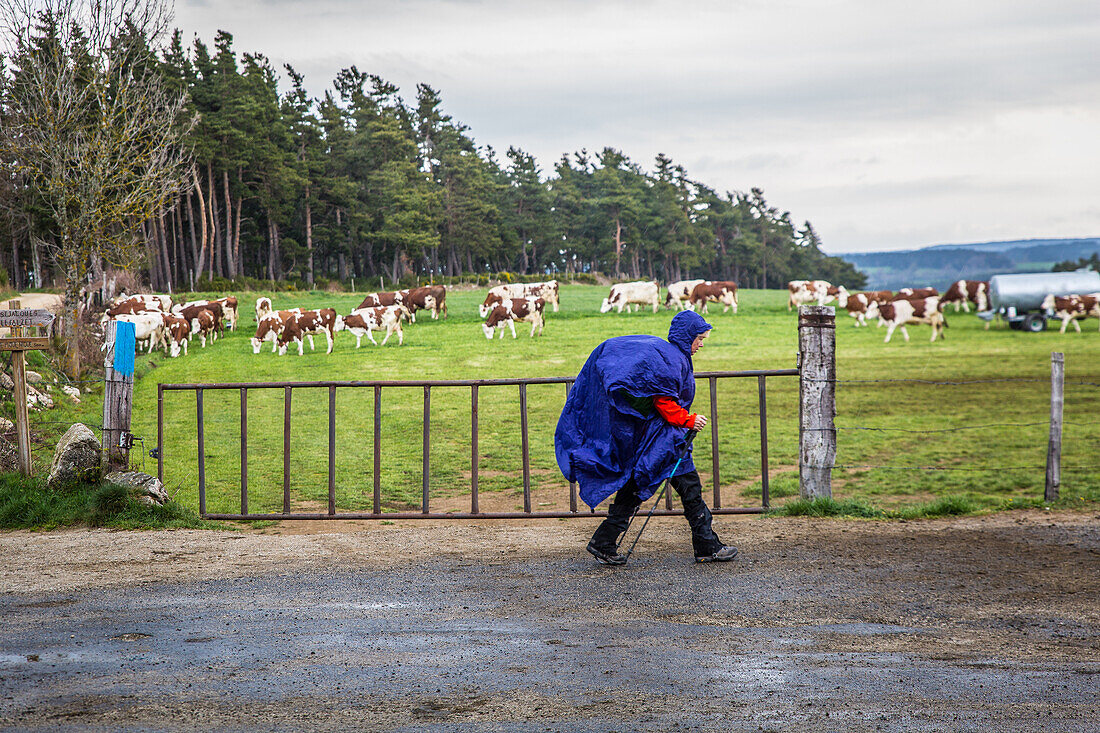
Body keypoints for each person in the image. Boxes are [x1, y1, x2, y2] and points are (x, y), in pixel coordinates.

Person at [555, 309, 738, 565]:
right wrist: (689, 420)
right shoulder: (673, 360)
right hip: (665, 442)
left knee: (646, 486)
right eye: (699, 338)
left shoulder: (672, 356)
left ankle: (605, 541)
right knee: (682, 490)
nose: (701, 344)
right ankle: (706, 546)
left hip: (664, 441)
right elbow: (663, 402)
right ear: (687, 337)